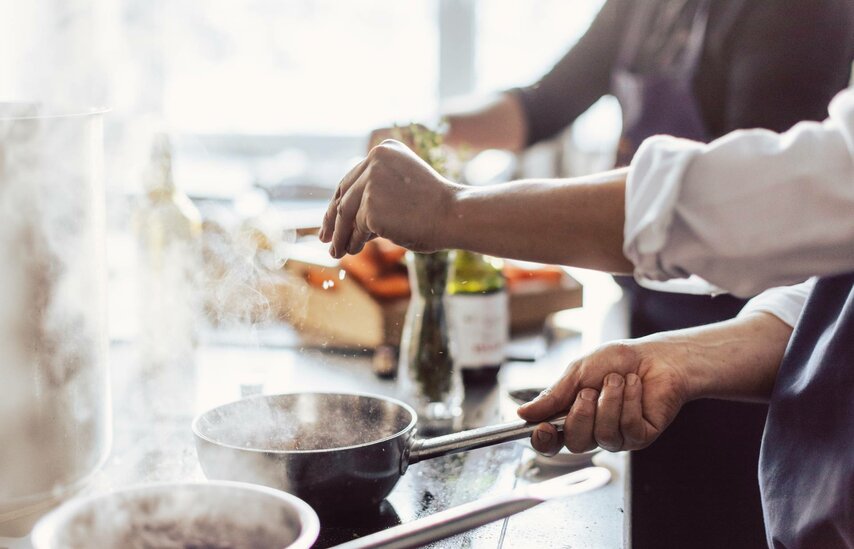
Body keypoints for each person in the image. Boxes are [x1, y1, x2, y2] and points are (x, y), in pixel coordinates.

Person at [369, 2, 854, 545]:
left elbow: (756, 208)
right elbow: (546, 102)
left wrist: (448, 211)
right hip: (683, 324)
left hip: (750, 374)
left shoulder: (805, 13)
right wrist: (423, 135)